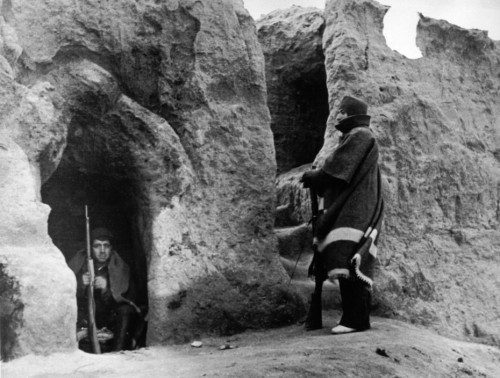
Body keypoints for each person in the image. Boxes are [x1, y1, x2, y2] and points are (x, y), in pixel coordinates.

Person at [301, 95, 384, 334]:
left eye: (342, 112)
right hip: (355, 205)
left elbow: (338, 169)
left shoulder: (360, 135)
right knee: (346, 256)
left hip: (357, 207)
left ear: (351, 115)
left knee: (349, 255)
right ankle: (354, 318)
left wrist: (316, 177)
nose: (337, 116)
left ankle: (356, 320)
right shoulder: (357, 136)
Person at [68, 227, 144, 351]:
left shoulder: (120, 267)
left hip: (110, 321)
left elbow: (130, 300)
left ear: (111, 248)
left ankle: (118, 353)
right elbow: (65, 295)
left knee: (125, 311)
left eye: (106, 246)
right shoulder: (79, 264)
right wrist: (80, 284)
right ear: (90, 249)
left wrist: (106, 289)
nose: (102, 250)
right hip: (86, 320)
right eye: (97, 246)